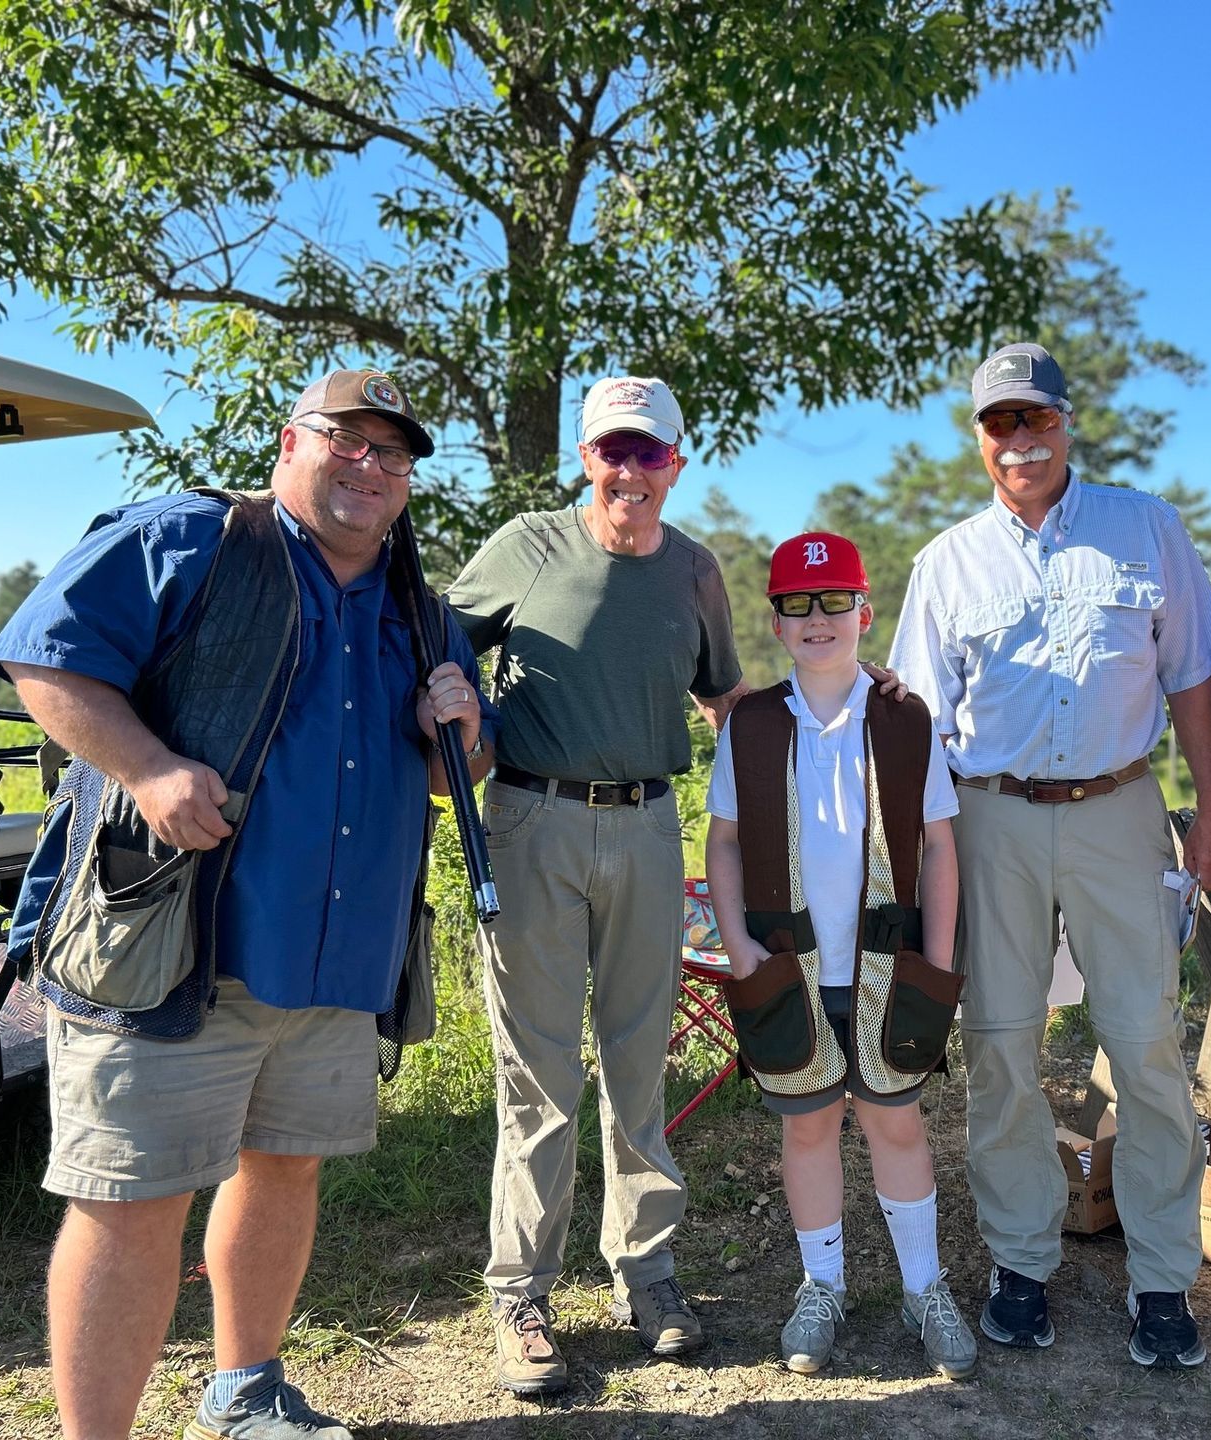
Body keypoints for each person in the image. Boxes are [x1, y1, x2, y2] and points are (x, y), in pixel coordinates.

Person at [0, 369, 492, 1440]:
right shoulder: (188, 540)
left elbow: (457, 778)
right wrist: (149, 769)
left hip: (334, 960)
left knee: (285, 1170)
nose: (370, 467)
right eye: (346, 442)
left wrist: (460, 721)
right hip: (172, 942)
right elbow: (46, 658)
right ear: (289, 441)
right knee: (130, 1205)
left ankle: (247, 1391)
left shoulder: (423, 609)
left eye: (393, 456)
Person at [889, 342, 1211, 1369]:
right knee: (1001, 1043)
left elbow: (1191, 684)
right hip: (989, 819)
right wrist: (916, 864)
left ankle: (1166, 1279)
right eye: (1001, 424)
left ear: (1065, 423)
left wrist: (1210, 811)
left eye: (1035, 419)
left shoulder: (1146, 529)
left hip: (1122, 811)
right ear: (979, 438)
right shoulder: (948, 562)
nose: (1021, 440)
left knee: (1145, 1044)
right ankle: (1020, 1262)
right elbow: (919, 725)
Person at [445, 376, 747, 1394]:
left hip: (651, 826)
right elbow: (439, 644)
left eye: (648, 453)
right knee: (537, 1074)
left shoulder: (697, 573)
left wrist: (827, 737)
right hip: (531, 822)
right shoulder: (528, 545)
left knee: (637, 1063)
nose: (630, 472)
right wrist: (456, 703)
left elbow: (726, 701)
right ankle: (521, 1293)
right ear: (586, 459)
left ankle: (646, 1275)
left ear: (677, 463)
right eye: (612, 452)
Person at [704, 531, 977, 1381]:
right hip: (785, 966)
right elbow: (722, 843)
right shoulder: (749, 723)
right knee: (809, 1127)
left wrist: (937, 960)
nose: (817, 620)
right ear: (776, 622)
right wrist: (739, 947)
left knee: (896, 1122)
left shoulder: (904, 717)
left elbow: (938, 846)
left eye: (833, 603)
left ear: (865, 612)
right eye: (797, 606)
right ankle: (820, 1285)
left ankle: (924, 1287)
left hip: (891, 967)